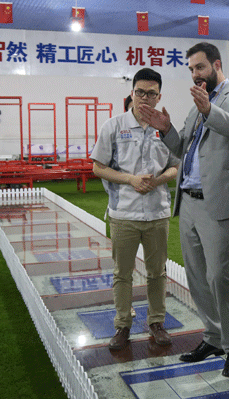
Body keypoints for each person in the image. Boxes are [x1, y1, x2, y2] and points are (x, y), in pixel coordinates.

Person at [138, 42, 229, 378]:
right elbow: (181, 148)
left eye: (200, 67)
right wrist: (165, 128)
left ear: (216, 65)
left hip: (219, 203)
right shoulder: (196, 107)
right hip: (188, 201)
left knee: (220, 278)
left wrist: (209, 110)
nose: (195, 74)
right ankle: (213, 338)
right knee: (197, 277)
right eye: (190, 69)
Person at [90, 67, 179, 351]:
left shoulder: (165, 129)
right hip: (123, 214)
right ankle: (122, 325)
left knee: (157, 272)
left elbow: (176, 166)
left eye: (151, 94)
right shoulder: (114, 126)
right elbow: (98, 167)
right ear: (132, 93)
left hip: (157, 213)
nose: (144, 98)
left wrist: (158, 181)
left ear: (159, 97)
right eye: (140, 92)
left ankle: (157, 322)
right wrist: (131, 179)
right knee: (122, 274)